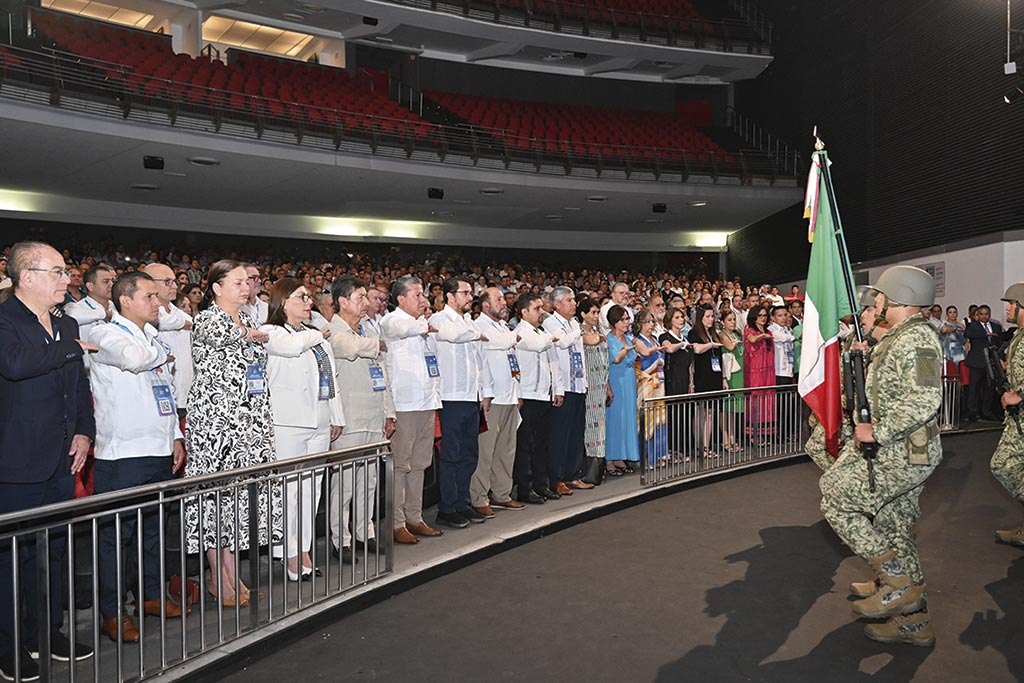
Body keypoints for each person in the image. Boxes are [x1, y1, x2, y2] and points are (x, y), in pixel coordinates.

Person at [819, 265, 942, 647]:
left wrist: (878, 431)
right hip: (899, 447)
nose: (878, 303)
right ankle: (915, 622)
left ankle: (897, 583)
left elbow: (925, 399)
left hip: (907, 450)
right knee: (895, 528)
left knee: (836, 499)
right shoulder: (902, 336)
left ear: (900, 298)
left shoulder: (918, 340)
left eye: (882, 297)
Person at [0, 241, 96, 679]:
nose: (66, 279)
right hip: (16, 459)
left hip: (62, 458)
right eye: (57, 271)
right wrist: (71, 347)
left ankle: (46, 631)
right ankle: (8, 644)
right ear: (27, 277)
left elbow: (78, 388)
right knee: (10, 557)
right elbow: (15, 364)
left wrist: (84, 431)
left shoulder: (65, 322)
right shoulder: (5, 320)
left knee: (53, 549)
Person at [88, 272, 189, 643]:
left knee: (153, 533)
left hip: (158, 449)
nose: (158, 302)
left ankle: (151, 595)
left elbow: (165, 390)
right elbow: (134, 360)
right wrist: (162, 352)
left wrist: (176, 436)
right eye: (149, 296)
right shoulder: (105, 334)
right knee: (116, 537)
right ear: (125, 300)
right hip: (123, 455)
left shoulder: (152, 337)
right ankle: (113, 612)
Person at [185, 259, 278, 607]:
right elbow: (222, 336)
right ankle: (219, 579)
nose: (245, 287)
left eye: (247, 282)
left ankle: (232, 576)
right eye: (237, 282)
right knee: (215, 500)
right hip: (217, 424)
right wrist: (247, 334)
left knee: (237, 503)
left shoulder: (249, 319)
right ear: (216, 288)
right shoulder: (208, 319)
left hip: (248, 423)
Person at [260, 278, 345, 580]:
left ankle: (304, 548)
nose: (309, 302)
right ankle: (288, 550)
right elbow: (291, 347)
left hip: (319, 420)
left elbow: (330, 378)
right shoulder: (270, 332)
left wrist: (336, 416)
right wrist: (318, 334)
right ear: (283, 302)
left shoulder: (314, 336)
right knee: (289, 491)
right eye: (301, 297)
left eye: (309, 297)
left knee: (312, 489)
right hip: (287, 422)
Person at [327, 276, 394, 556]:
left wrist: (389, 413)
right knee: (343, 485)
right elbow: (349, 347)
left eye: (367, 297)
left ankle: (364, 532)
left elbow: (383, 376)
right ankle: (340, 539)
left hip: (373, 415)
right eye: (360, 297)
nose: (366, 303)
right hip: (350, 419)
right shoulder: (332, 330)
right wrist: (376, 344)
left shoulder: (366, 329)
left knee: (369, 481)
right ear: (343, 301)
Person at [380, 276, 444, 542]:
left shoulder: (421, 325)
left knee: (420, 464)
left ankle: (414, 517)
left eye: (422, 294)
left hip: (427, 402)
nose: (423, 300)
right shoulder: (392, 321)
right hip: (404, 404)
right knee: (400, 465)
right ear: (400, 298)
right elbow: (403, 329)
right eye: (416, 295)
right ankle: (396, 523)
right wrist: (422, 324)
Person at [432, 278, 488, 530]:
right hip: (450, 397)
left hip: (470, 397)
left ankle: (462, 502)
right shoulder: (439, 319)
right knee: (451, 455)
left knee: (469, 454)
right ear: (450, 296)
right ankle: (447, 507)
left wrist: (483, 393)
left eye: (470, 293)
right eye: (465, 293)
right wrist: (478, 333)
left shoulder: (469, 322)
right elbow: (453, 336)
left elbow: (479, 361)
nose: (470, 297)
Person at [472, 287, 526, 513]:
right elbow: (494, 347)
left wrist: (518, 391)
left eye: (504, 299)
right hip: (492, 398)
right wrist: (485, 393)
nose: (504, 303)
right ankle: (479, 498)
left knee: (506, 450)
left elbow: (514, 359)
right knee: (485, 451)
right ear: (485, 305)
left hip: (509, 395)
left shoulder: (504, 327)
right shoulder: (478, 326)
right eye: (499, 299)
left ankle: (501, 493)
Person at [513, 293, 563, 502]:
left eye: (542, 307)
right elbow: (538, 344)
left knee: (542, 444)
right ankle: (525, 488)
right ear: (524, 312)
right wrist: (554, 335)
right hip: (527, 395)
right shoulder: (520, 332)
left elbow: (553, 362)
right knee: (526, 445)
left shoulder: (541, 332)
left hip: (543, 394)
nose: (542, 312)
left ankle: (541, 485)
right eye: (537, 308)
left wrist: (557, 389)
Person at [543, 286, 593, 495]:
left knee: (575, 433)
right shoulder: (550, 323)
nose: (574, 304)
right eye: (569, 300)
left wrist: (585, 382)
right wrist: (579, 332)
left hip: (578, 385)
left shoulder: (573, 323)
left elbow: (579, 354)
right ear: (557, 304)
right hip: (563, 386)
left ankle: (573, 475)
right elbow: (562, 343)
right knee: (559, 435)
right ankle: (556, 478)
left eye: (574, 300)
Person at [991, 283, 1024, 547]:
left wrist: (1020, 394)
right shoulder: (1019, 335)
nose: (1008, 308)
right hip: (1018, 417)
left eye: (1012, 303)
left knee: (1003, 465)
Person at [143, 263, 194, 413]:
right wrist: (183, 324)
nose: (175, 286)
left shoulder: (183, 315)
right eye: (167, 282)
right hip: (157, 392)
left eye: (174, 281)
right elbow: (160, 322)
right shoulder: (143, 314)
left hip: (186, 394)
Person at [578, 298, 612, 484]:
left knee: (600, 427)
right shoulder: (579, 333)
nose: (596, 316)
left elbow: (605, 361)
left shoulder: (598, 331)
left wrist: (608, 387)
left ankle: (598, 469)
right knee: (589, 427)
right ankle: (588, 470)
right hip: (588, 386)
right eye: (592, 312)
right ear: (583, 314)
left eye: (597, 312)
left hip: (601, 385)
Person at [605, 304, 640, 475]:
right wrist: (625, 350)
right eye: (623, 319)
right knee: (614, 419)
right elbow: (615, 359)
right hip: (616, 380)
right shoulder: (609, 339)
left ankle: (621, 456)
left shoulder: (628, 338)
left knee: (627, 419)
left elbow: (634, 359)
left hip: (629, 381)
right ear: (614, 322)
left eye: (627, 319)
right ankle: (609, 460)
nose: (627, 322)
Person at [689, 305, 725, 458]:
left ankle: (706, 446)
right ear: (700, 318)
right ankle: (700, 446)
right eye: (708, 316)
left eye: (712, 316)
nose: (711, 319)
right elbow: (696, 349)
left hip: (715, 376)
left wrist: (724, 378)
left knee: (710, 413)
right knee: (701, 412)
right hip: (701, 376)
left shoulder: (714, 334)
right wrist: (710, 345)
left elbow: (721, 358)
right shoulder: (694, 333)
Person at [634, 311, 667, 465]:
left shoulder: (654, 339)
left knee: (660, 418)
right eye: (647, 322)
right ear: (640, 324)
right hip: (646, 383)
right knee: (646, 419)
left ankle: (659, 454)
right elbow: (645, 352)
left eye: (652, 322)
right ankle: (646, 457)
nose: (650, 325)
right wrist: (658, 348)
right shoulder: (637, 340)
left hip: (659, 382)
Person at [964, 304, 1003, 421]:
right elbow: (967, 334)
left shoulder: (996, 326)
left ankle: (987, 411)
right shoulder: (972, 326)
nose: (984, 316)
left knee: (990, 388)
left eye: (986, 314)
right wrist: (986, 334)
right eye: (981, 314)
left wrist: (1000, 359)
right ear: (978, 315)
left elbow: (999, 343)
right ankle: (973, 412)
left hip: (991, 362)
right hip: (977, 361)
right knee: (974, 388)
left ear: (989, 315)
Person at [744, 305, 775, 445]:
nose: (763, 318)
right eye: (760, 315)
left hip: (768, 371)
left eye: (765, 315)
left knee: (767, 401)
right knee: (755, 400)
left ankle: (765, 434)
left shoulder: (768, 331)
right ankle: (753, 435)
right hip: (754, 372)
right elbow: (752, 340)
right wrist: (762, 336)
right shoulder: (750, 330)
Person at [769, 306, 797, 439]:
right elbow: (784, 338)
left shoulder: (788, 329)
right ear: (773, 318)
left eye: (785, 315)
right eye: (779, 316)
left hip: (788, 370)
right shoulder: (772, 330)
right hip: (778, 371)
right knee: (779, 405)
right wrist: (796, 336)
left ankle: (786, 432)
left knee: (787, 405)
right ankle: (778, 433)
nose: (783, 318)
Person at [719, 309, 744, 452]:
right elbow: (729, 346)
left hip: (739, 372)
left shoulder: (737, 334)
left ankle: (733, 438)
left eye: (734, 319)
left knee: (735, 410)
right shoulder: (721, 335)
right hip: (729, 373)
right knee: (726, 409)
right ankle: (725, 440)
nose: (733, 322)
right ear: (722, 322)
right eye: (729, 319)